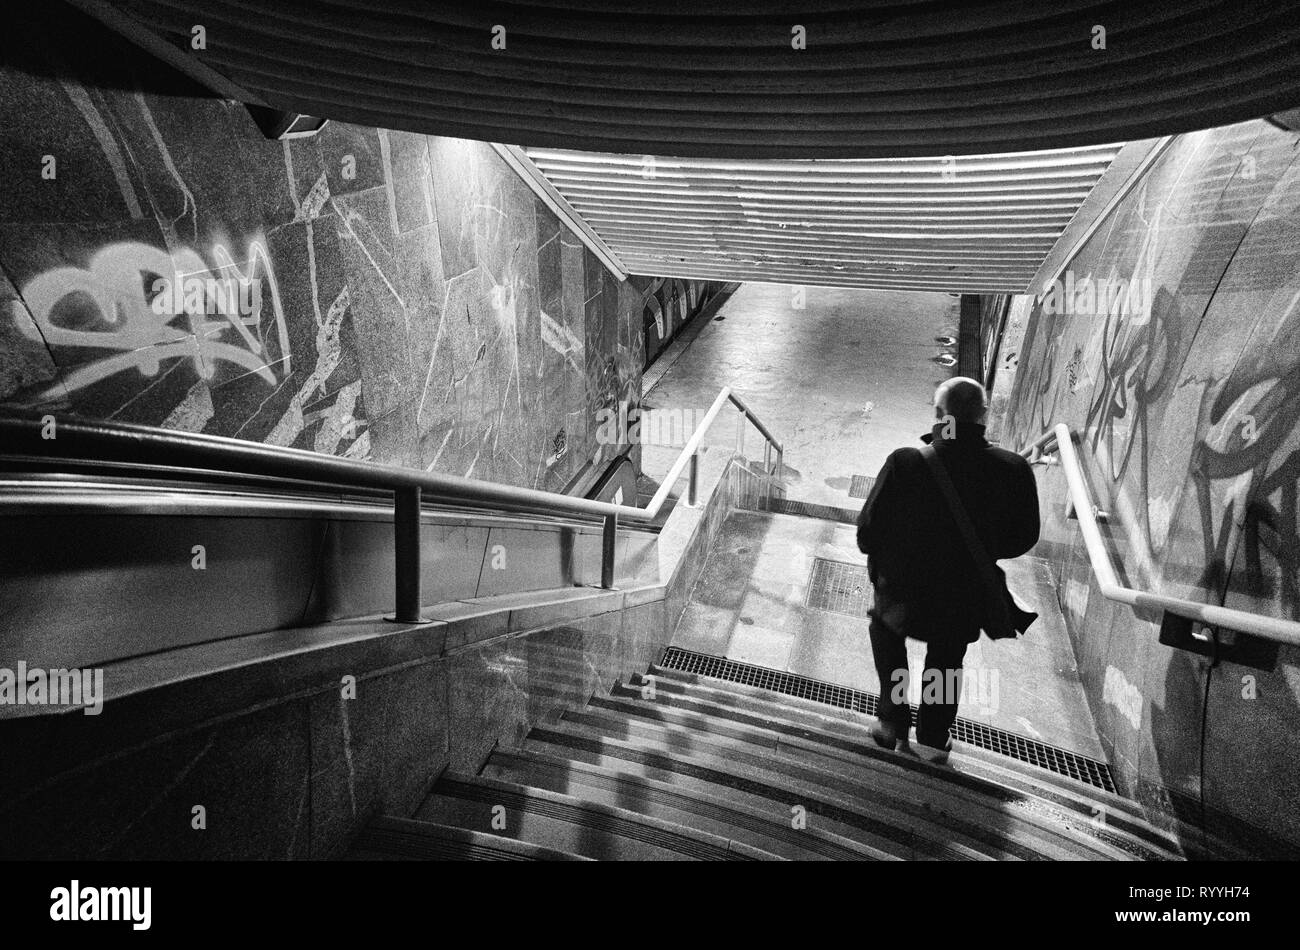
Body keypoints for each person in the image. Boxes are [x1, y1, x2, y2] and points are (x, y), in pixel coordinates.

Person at [856, 377, 1040, 764]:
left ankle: (892, 724)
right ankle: (933, 738)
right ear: (983, 415)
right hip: (963, 597)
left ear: (940, 416)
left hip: (903, 594)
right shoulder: (1014, 469)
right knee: (947, 658)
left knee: (886, 635)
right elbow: (1024, 537)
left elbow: (868, 532)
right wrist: (982, 551)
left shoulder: (905, 463)